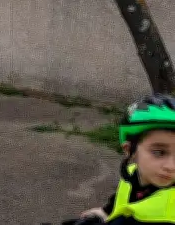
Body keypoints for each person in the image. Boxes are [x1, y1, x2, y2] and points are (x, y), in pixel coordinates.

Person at [68, 93, 175, 225]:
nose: (171, 166)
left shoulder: (166, 214)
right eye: (159, 152)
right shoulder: (133, 174)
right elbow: (123, 195)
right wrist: (106, 211)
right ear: (129, 150)